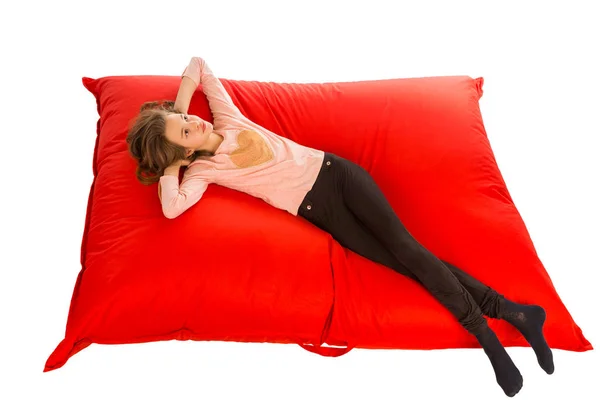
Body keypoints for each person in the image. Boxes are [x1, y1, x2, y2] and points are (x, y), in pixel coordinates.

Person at [126, 56, 553, 397]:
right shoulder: (203, 173)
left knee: (410, 252)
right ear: (179, 152)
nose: (194, 123)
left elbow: (198, 64)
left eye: (187, 119)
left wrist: (175, 113)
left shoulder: (226, 119)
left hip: (338, 175)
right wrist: (173, 162)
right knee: (411, 263)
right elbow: (170, 208)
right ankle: (513, 312)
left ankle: (487, 339)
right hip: (321, 212)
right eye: (186, 131)